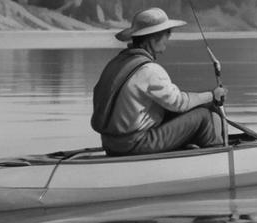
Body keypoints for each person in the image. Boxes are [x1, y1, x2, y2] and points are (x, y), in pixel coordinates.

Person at [91, 8, 227, 156]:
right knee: (203, 116)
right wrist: (212, 96)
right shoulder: (149, 70)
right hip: (134, 144)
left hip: (110, 144)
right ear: (153, 39)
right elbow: (179, 103)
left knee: (181, 112)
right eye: (167, 34)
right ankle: (216, 159)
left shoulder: (116, 63)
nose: (168, 39)